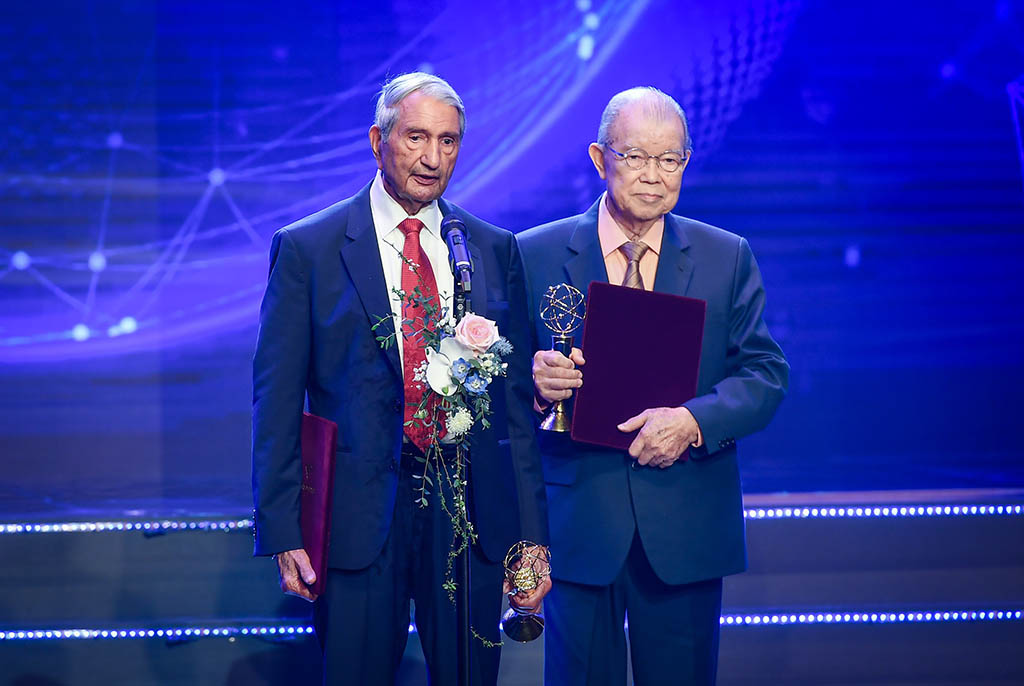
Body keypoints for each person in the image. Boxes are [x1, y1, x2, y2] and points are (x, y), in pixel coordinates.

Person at [251, 72, 550, 686]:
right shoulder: (310, 248)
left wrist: (530, 537)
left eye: (449, 141)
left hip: (467, 514)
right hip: (359, 517)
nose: (432, 158)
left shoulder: (491, 249)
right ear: (377, 140)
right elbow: (276, 399)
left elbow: (514, 409)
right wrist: (284, 527)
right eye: (416, 138)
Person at [518, 87, 789, 685]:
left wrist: (694, 422)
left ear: (686, 164)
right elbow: (497, 383)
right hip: (579, 520)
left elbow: (765, 374)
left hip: (686, 521)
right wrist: (536, 388)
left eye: (670, 160)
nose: (652, 176)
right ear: (599, 158)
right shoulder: (533, 254)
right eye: (635, 156)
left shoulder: (725, 257)